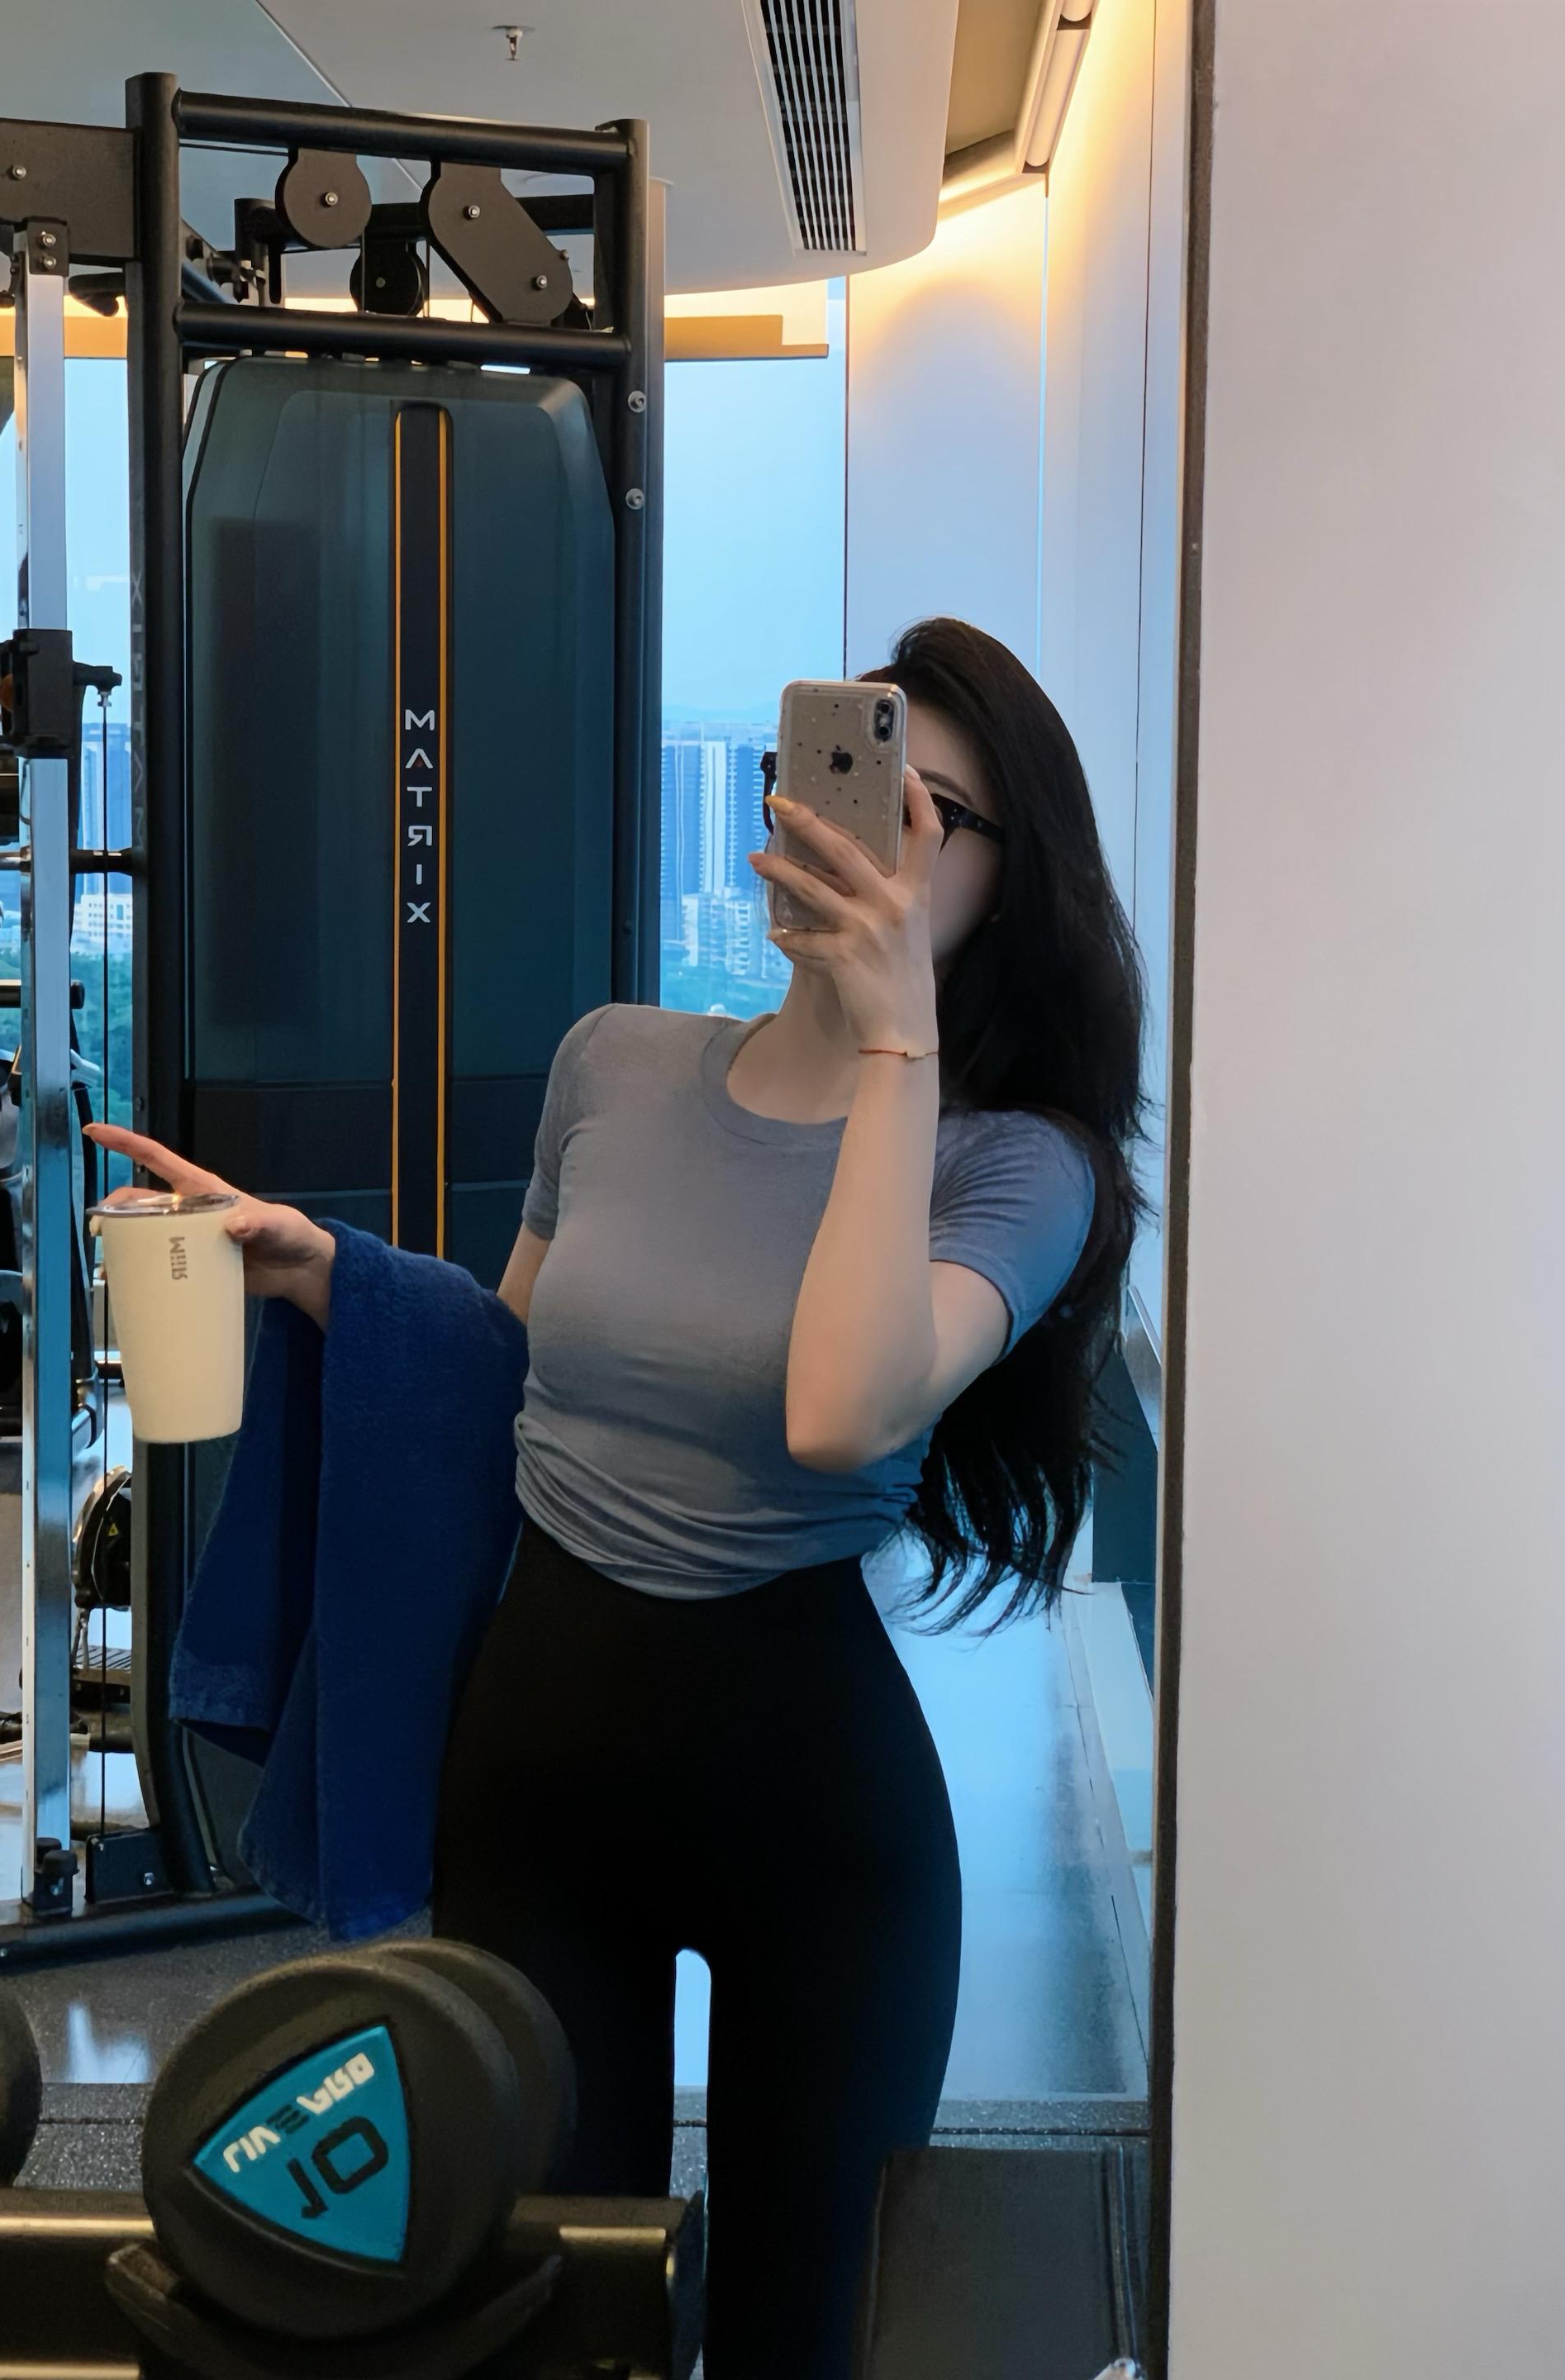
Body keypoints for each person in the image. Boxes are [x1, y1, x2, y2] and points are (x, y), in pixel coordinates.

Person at [88, 615, 1148, 2380]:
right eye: (838, 775)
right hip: (541, 1778)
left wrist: (897, 1046)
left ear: (1004, 878)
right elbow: (510, 1377)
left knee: (802, 2334)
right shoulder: (617, 1064)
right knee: (547, 2310)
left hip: (823, 1820)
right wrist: (325, 1273)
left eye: (921, 814)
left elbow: (844, 1410)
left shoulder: (1018, 1168)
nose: (858, 835)